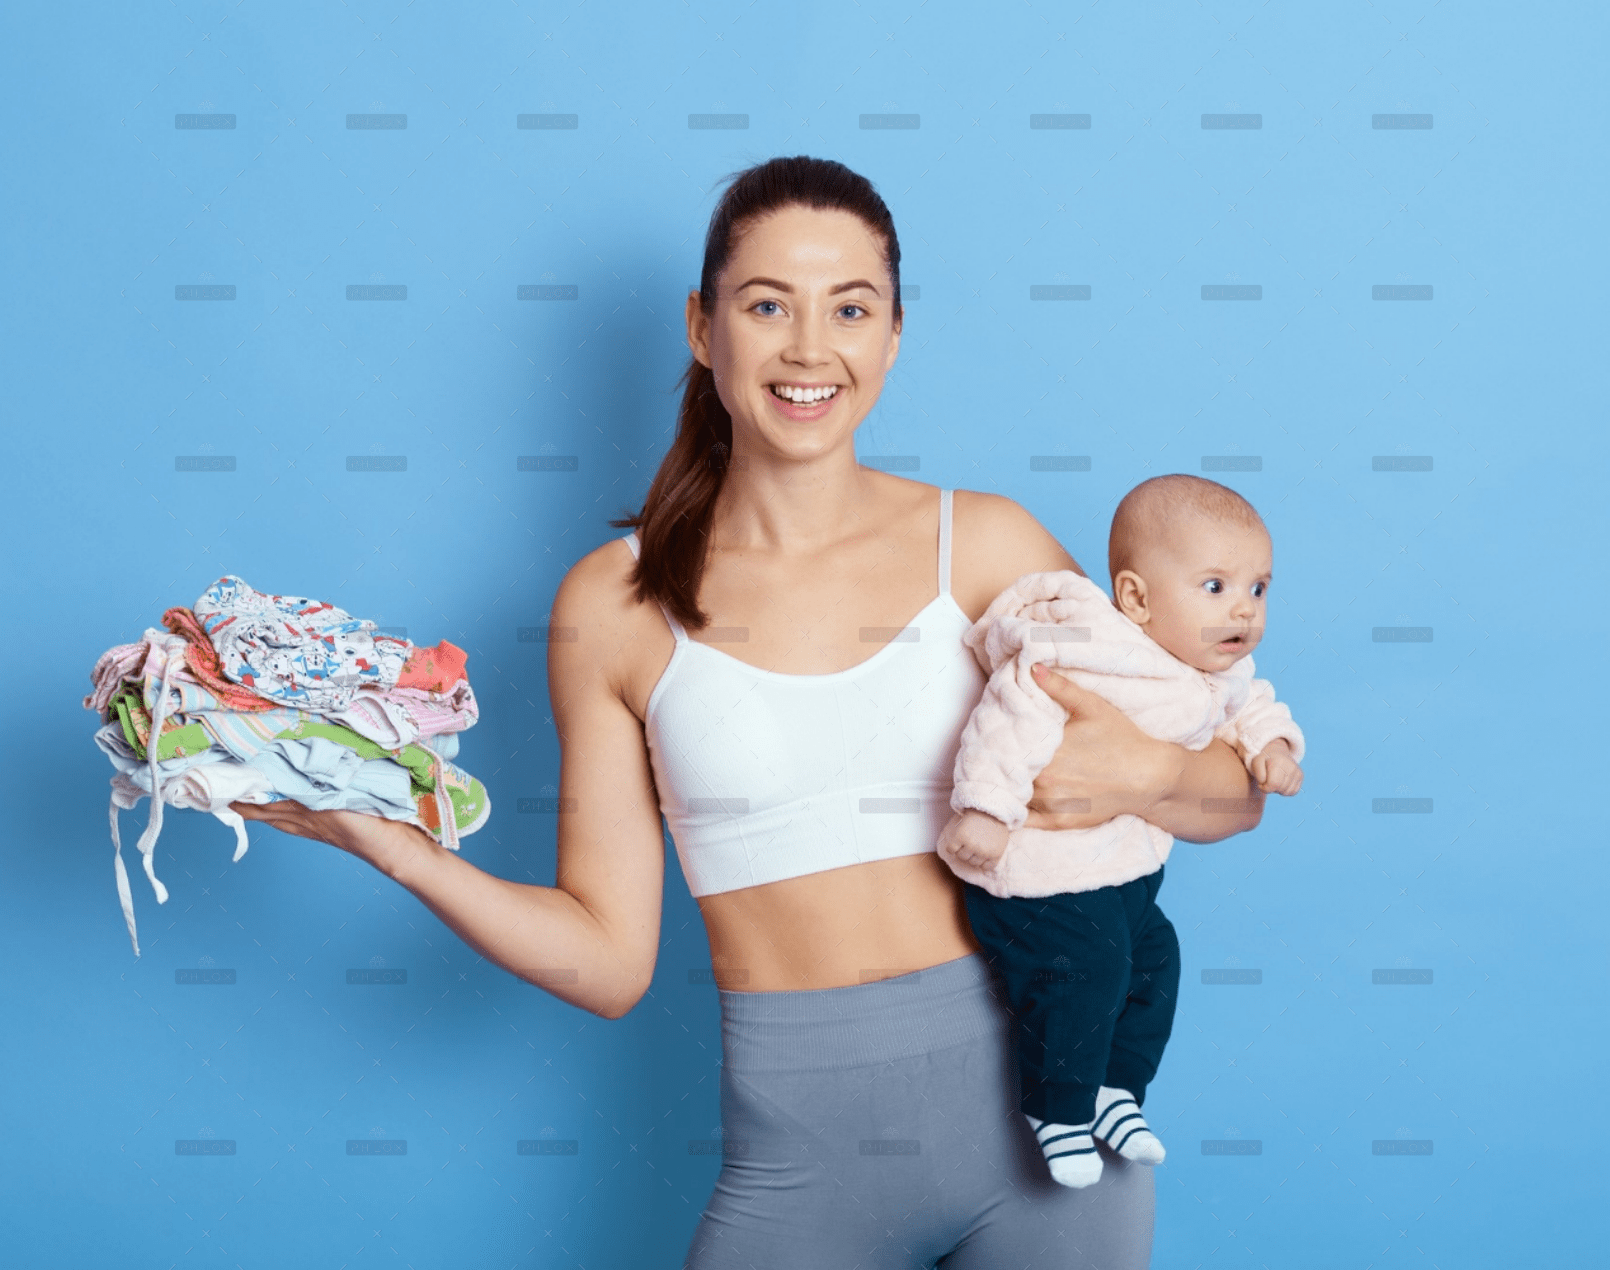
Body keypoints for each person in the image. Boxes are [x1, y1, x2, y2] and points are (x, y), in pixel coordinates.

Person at [231, 155, 1268, 1268]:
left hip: (1046, 1137)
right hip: (796, 1168)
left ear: (894, 336)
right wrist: (391, 847)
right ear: (700, 325)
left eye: (850, 308)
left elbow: (1227, 792)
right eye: (766, 304)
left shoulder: (989, 548)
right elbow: (609, 961)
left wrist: (1141, 774)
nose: (809, 347)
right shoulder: (614, 606)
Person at [936, 474, 1306, 1189]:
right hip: (1044, 876)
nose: (1245, 610)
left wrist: (1274, 749)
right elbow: (1010, 716)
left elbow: (1251, 708)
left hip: (1124, 878)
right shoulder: (1087, 652)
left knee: (1155, 963)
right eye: (1216, 586)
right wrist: (985, 808)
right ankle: (1059, 1109)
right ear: (1136, 598)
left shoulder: (1211, 670)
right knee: (1088, 974)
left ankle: (1115, 1092)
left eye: (1259, 589)